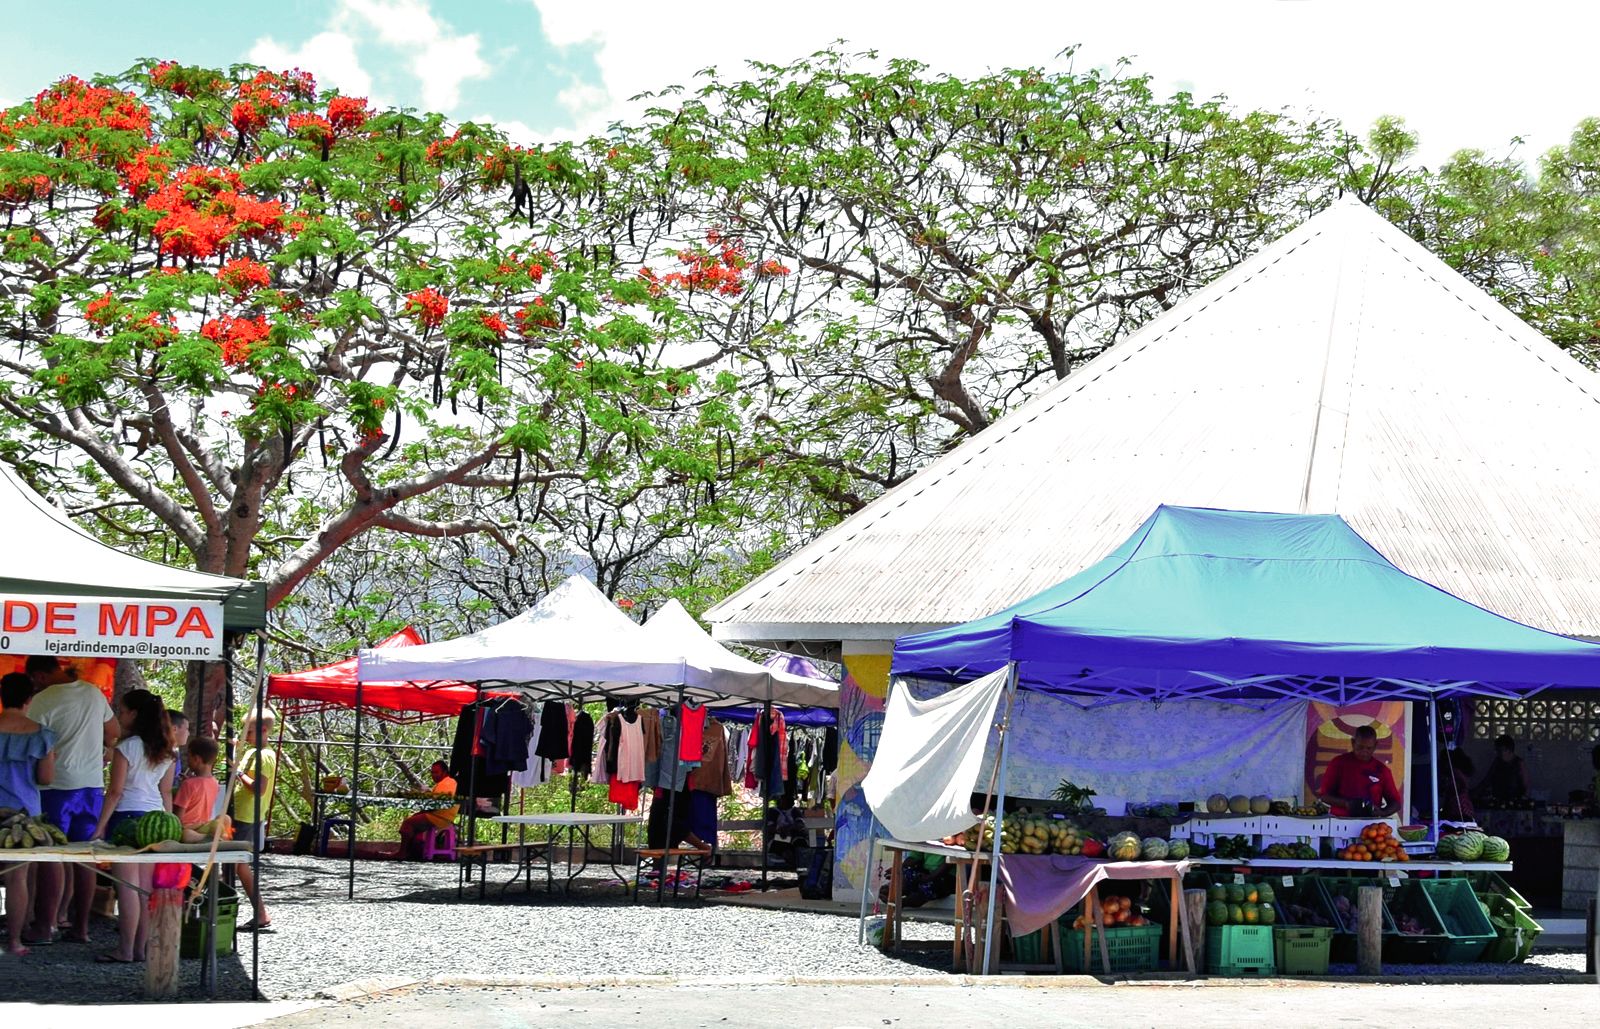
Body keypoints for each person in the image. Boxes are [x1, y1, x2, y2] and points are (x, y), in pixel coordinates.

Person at [24, 655, 116, 946]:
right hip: (91, 788)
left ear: (38, 676)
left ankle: (45, 925)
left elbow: (27, 740)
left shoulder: (43, 700)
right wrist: (101, 751)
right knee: (84, 859)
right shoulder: (92, 692)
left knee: (51, 856)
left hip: (57, 787)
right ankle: (81, 927)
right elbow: (114, 733)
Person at [90, 689, 174, 964]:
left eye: (123, 711)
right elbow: (166, 794)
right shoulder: (166, 750)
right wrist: (171, 825)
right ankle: (141, 949)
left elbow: (114, 792)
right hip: (156, 821)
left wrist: (100, 826)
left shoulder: (126, 748)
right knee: (143, 890)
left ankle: (125, 950)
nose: (120, 716)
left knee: (127, 887)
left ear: (135, 714)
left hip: (126, 817)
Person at [0, 672, 56, 956]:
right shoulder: (42, 734)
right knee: (17, 879)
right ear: (29, 700)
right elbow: (46, 778)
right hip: (24, 814)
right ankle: (14, 941)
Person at [232, 708, 277, 933]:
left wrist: (238, 773)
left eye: (247, 731)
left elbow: (259, 788)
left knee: (238, 864)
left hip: (248, 816)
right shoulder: (252, 751)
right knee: (231, 863)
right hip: (240, 813)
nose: (245, 735)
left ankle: (260, 911)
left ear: (263, 730)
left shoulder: (264, 755)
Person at [1318, 724, 1401, 817]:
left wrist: (1383, 812)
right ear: (1353, 742)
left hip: (1371, 826)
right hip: (1340, 822)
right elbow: (1324, 796)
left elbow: (1396, 803)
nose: (1364, 751)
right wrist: (1347, 803)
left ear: (1375, 745)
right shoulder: (1338, 763)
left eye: (1369, 748)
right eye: (1360, 747)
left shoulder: (1382, 770)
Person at [398, 760, 459, 860]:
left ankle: (402, 853)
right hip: (442, 815)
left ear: (444, 772)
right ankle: (413, 852)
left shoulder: (447, 783)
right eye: (432, 772)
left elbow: (436, 805)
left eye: (436, 772)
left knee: (408, 823)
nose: (433, 775)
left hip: (439, 816)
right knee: (413, 820)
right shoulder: (445, 783)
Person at [173, 736, 229, 841]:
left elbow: (178, 818)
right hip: (205, 826)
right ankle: (220, 837)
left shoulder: (188, 784)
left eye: (188, 756)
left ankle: (206, 838)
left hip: (189, 828)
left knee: (185, 834)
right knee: (225, 818)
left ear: (196, 759)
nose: (187, 759)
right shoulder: (214, 783)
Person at [1476, 734, 1532, 804]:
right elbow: (1487, 780)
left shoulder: (1519, 764)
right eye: (1497, 750)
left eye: (1499, 750)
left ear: (1508, 750)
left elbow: (1527, 787)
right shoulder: (1497, 761)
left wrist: (1523, 803)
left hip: (1514, 805)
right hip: (1498, 803)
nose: (1497, 753)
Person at [1439, 748, 1475, 823]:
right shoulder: (1457, 772)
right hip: (1460, 806)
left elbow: (1459, 787)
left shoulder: (1455, 773)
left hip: (1459, 807)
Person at [166, 709, 190, 794]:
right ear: (174, 729)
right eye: (187, 729)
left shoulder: (175, 751)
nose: (188, 733)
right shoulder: (163, 754)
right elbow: (166, 791)